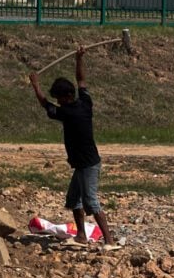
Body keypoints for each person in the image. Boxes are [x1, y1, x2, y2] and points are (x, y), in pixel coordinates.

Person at [29, 46, 116, 248]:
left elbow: (45, 104)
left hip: (88, 164)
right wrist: (79, 59)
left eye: (59, 98)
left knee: (90, 202)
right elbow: (81, 80)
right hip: (81, 164)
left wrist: (35, 85)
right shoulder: (85, 102)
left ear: (66, 97)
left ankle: (109, 240)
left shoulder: (68, 113)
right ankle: (82, 236)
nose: (58, 101)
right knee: (74, 199)